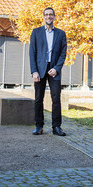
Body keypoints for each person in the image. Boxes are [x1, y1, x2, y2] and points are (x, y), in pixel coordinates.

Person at [29, 7, 67, 136]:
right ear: (43, 17)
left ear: (54, 17)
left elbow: (63, 54)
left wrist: (56, 68)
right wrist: (34, 71)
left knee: (56, 98)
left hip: (54, 69)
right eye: (46, 14)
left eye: (51, 14)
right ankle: (38, 126)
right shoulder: (36, 32)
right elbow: (32, 53)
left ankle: (56, 126)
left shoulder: (61, 34)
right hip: (39, 70)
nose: (49, 17)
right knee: (38, 99)